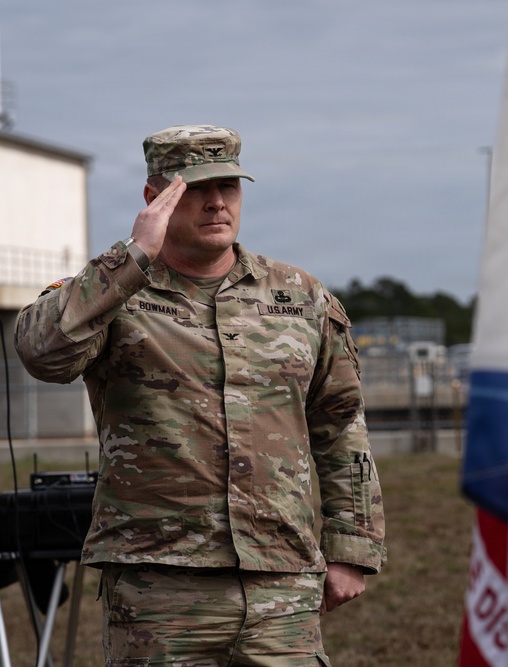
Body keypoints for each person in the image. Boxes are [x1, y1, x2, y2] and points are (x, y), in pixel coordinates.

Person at [15, 124, 386, 665]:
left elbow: (341, 424)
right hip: (159, 590)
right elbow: (39, 353)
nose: (217, 203)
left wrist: (352, 548)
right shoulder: (112, 292)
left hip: (280, 584)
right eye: (195, 189)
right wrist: (132, 257)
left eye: (229, 188)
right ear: (154, 198)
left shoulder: (299, 297)